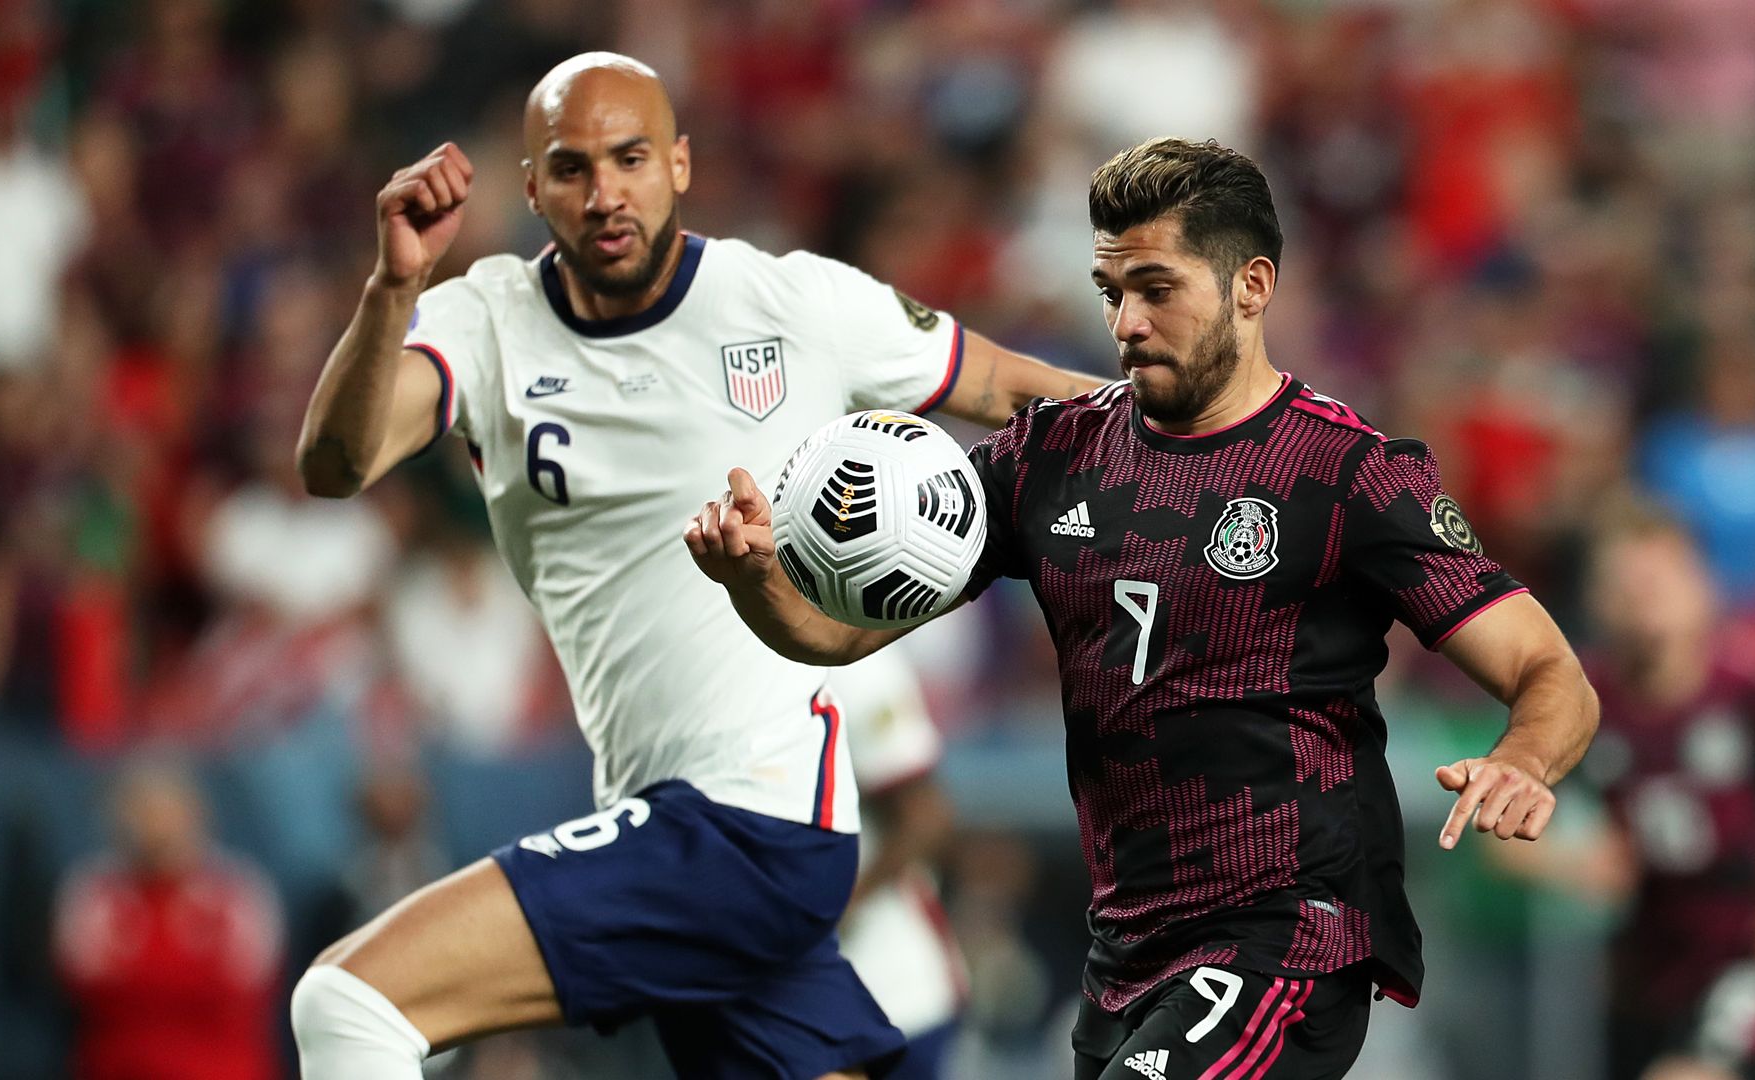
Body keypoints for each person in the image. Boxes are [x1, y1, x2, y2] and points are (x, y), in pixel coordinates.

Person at [687, 137, 1602, 1080]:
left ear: (1252, 286)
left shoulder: (1346, 474)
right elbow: (836, 634)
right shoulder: (1049, 455)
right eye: (1110, 292)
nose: (1125, 323)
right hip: (1125, 952)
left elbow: (1551, 674)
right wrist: (754, 576)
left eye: (1157, 289)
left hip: (1285, 934)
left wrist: (1523, 759)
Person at [289, 52, 1098, 1080]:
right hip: (685, 823)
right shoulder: (483, 319)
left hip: (743, 822)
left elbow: (1012, 385)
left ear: (679, 163)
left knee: (350, 1003)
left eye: (630, 158)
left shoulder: (792, 304)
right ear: (532, 187)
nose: (604, 192)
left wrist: (1206, 436)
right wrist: (393, 288)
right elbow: (335, 462)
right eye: (572, 169)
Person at [1504, 506, 1755, 1080]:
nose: (1646, 597)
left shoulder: (1753, 685)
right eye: (1627, 582)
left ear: (1702, 588)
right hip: (1654, 958)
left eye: (1661, 579)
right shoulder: (1583, 702)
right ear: (1598, 597)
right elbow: (1499, 828)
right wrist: (1572, 861)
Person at [53, 760, 284, 1080]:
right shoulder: (93, 891)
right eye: (142, 814)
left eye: (166, 813)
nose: (156, 828)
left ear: (196, 817)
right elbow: (88, 988)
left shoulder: (238, 891)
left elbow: (245, 993)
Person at [833, 650, 967, 1079]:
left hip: (887, 988)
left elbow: (925, 818)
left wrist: (833, 908)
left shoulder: (856, 666)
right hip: (788, 991)